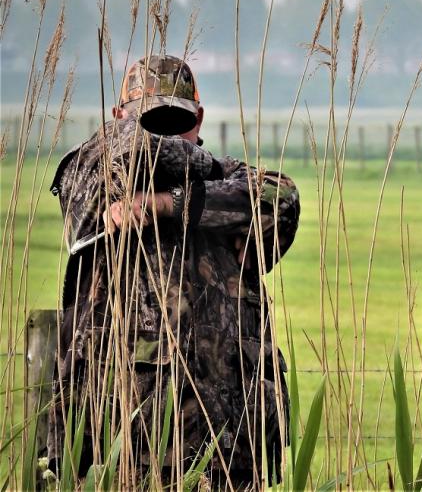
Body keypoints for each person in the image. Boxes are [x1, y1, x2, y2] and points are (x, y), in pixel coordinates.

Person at [46, 55, 300, 488]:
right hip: (136, 449)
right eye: (151, 120)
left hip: (234, 449)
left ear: (199, 119)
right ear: (119, 118)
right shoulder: (96, 179)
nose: (165, 133)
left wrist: (167, 203)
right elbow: (115, 156)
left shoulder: (226, 178)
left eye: (177, 121)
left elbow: (282, 196)